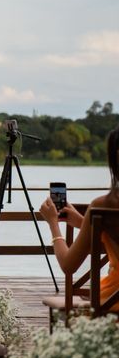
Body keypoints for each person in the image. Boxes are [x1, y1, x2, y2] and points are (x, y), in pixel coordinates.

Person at [39, 125, 119, 312]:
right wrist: (83, 222)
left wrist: (53, 223)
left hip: (112, 303)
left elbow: (68, 265)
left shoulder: (104, 204)